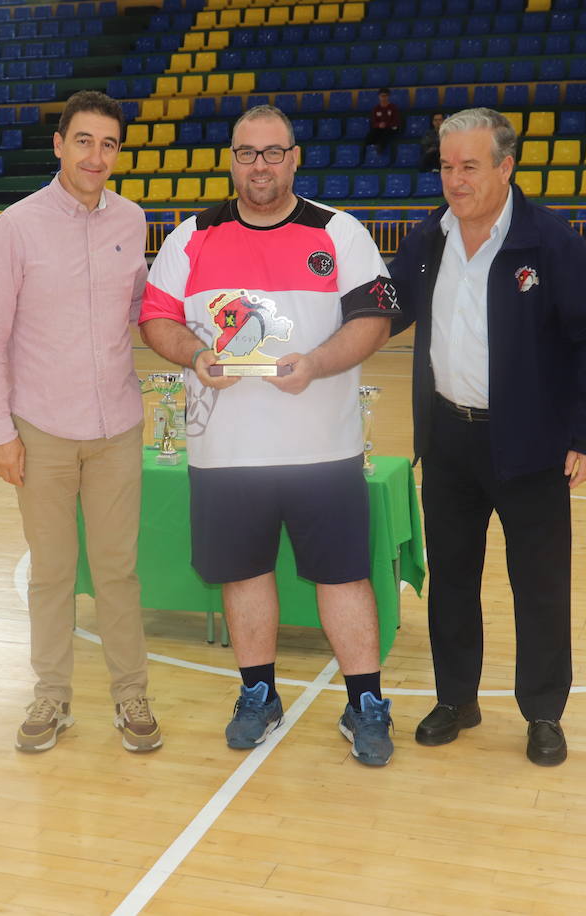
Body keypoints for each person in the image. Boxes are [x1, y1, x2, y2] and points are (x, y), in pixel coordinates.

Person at [139, 104, 401, 766]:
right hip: (227, 454)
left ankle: (364, 702)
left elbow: (375, 319)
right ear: (231, 159)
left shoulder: (340, 233)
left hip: (325, 451)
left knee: (343, 577)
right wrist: (195, 356)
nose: (261, 165)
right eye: (248, 153)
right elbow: (157, 319)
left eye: (274, 152)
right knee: (244, 573)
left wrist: (315, 364)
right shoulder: (191, 237)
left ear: (295, 157)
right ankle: (260, 694)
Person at [387, 108, 586, 766]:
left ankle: (544, 712)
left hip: (531, 445)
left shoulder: (547, 241)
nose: (455, 180)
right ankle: (456, 697)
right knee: (453, 580)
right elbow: (389, 302)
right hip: (449, 440)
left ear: (505, 167)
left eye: (469, 166)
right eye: (446, 165)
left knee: (539, 585)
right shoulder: (428, 239)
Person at [0, 90, 161, 755]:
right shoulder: (15, 227)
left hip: (116, 429)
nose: (96, 156)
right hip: (41, 430)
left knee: (118, 571)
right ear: (59, 145)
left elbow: (141, 312)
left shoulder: (132, 222)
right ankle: (51, 697)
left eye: (108, 144)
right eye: (84, 141)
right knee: (52, 572)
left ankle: (130, 694)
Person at [365, 88, 402, 157]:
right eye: (382, 96)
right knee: (370, 136)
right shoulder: (376, 108)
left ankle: (380, 149)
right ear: (379, 97)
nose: (383, 98)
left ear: (388, 97)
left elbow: (396, 121)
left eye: (385, 96)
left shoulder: (393, 107)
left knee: (385, 135)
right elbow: (373, 122)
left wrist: (386, 125)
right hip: (380, 127)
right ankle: (369, 153)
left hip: (391, 128)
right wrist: (379, 124)